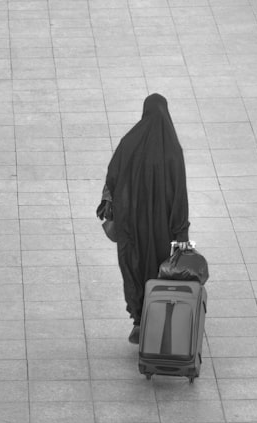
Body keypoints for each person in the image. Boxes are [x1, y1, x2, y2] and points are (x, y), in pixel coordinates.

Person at [97, 93, 190, 344]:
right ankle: (159, 323)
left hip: (132, 226)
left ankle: (138, 320)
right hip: (163, 229)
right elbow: (179, 194)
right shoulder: (172, 151)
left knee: (134, 267)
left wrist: (111, 205)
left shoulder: (130, 142)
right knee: (162, 270)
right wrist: (181, 232)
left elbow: (113, 177)